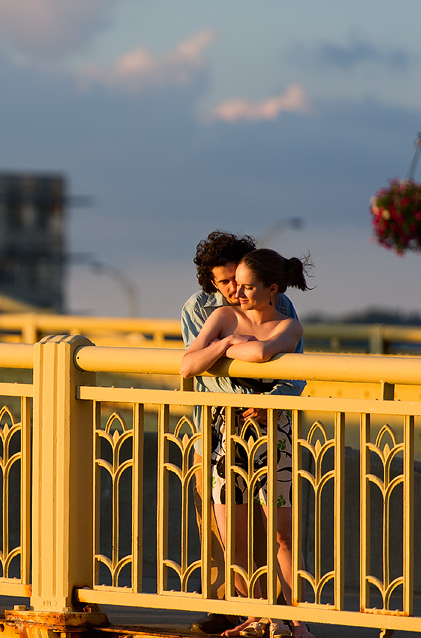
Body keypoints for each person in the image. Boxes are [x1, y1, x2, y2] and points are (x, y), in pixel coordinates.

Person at [181, 248, 314, 638]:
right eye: (233, 285)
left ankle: (295, 620)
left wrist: (227, 348)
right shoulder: (219, 316)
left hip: (274, 434)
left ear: (272, 289)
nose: (236, 293)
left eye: (246, 286)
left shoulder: (289, 324)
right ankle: (256, 616)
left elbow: (260, 352)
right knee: (232, 535)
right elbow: (187, 365)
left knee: (282, 533)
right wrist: (223, 345)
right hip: (228, 432)